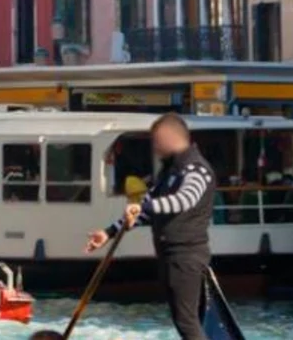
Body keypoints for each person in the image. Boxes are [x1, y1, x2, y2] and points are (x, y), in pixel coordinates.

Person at [86, 113, 214, 340]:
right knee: (183, 319)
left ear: (171, 138)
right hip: (169, 254)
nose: (154, 147)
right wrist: (109, 232)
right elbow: (144, 210)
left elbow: (185, 200)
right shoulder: (169, 172)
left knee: (186, 321)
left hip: (186, 255)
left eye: (157, 141)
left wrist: (149, 206)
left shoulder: (197, 169)